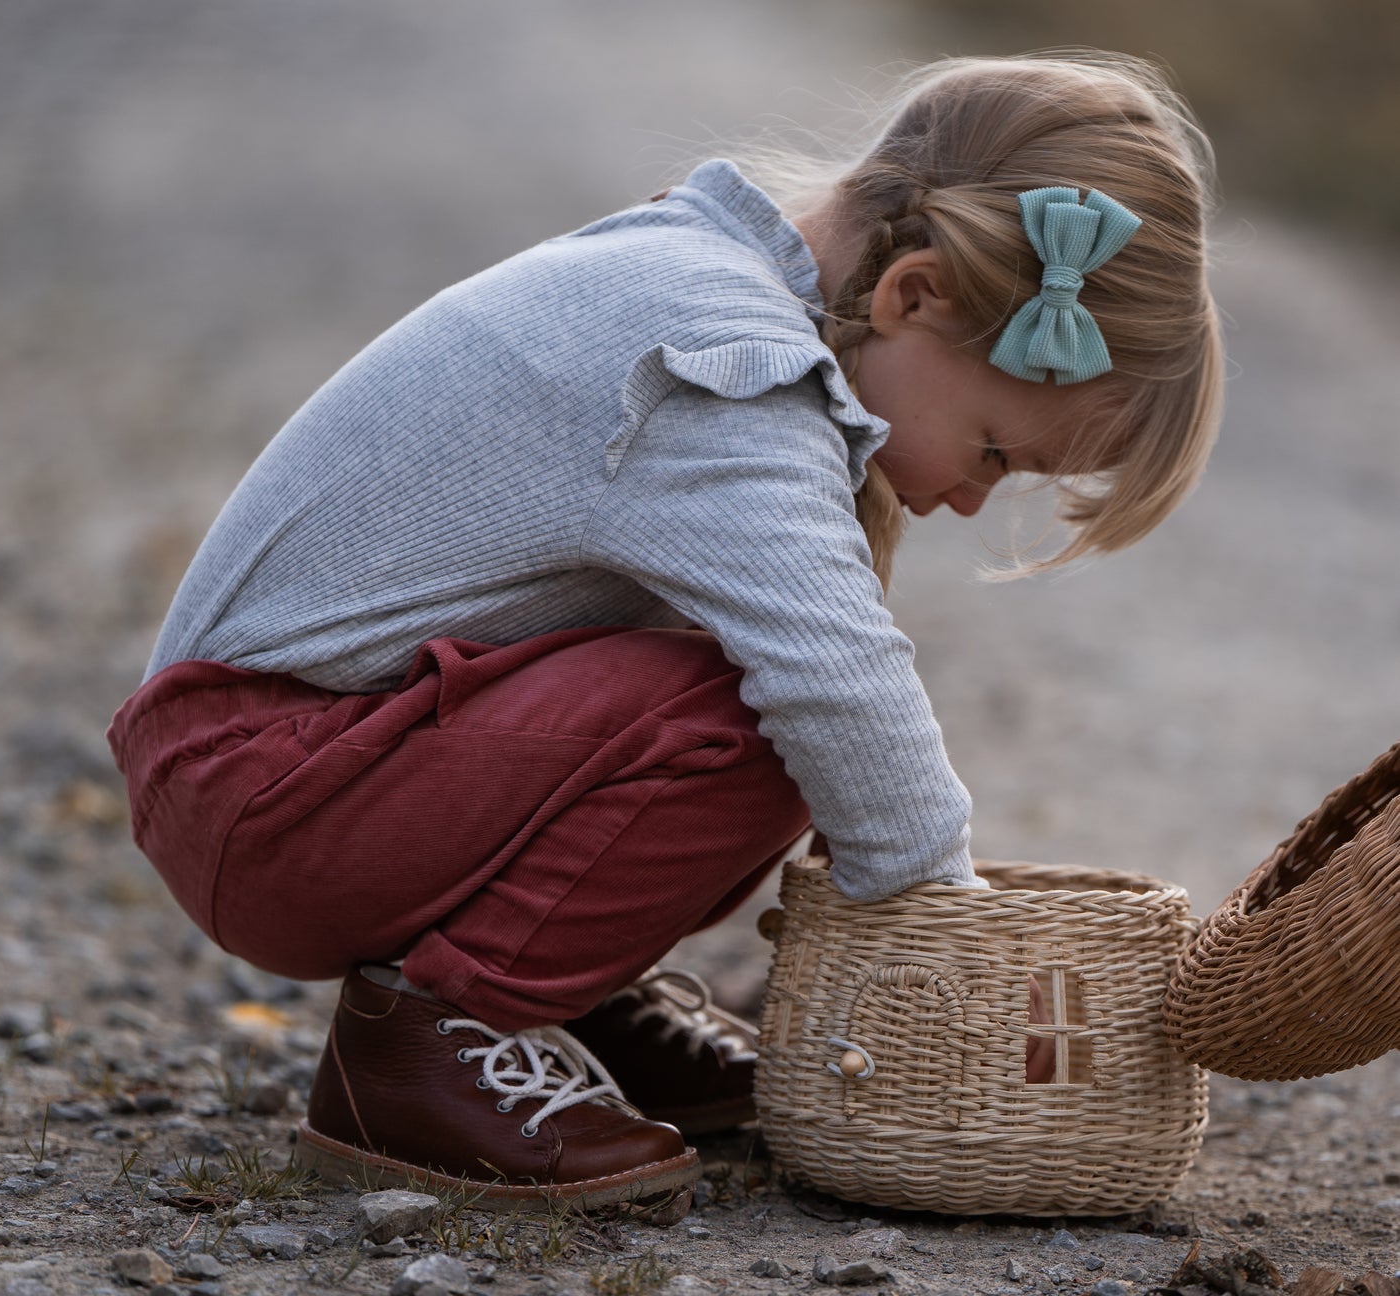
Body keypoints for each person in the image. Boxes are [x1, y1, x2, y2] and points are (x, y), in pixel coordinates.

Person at [107, 52, 1223, 1208]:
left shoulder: (698, 270)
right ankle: (435, 1036)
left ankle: (558, 997)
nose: (971, 499)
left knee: (751, 698)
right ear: (914, 296)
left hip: (276, 767)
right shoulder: (727, 361)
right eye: (996, 448)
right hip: (263, 789)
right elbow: (836, 678)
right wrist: (948, 933)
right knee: (760, 716)